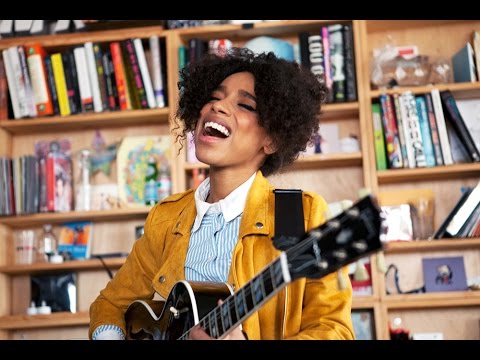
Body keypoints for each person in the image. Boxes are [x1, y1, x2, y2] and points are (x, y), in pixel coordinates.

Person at [89, 48, 354, 340]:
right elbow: (110, 304)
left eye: (245, 105)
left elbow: (335, 330)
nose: (218, 107)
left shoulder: (303, 216)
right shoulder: (166, 219)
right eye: (214, 98)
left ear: (272, 139)